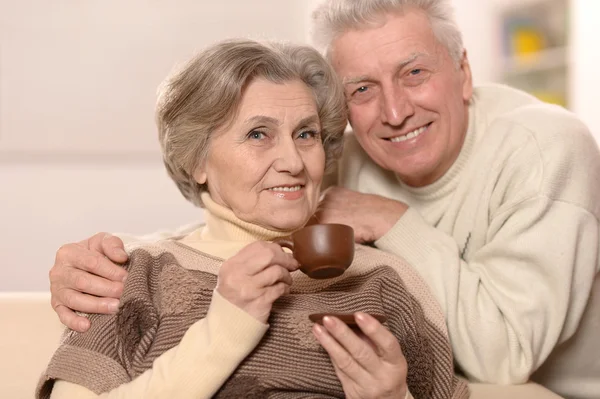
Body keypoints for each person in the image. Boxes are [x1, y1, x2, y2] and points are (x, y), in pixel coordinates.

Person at [47, 0, 600, 398]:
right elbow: (245, 203)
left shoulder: (543, 150)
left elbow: (504, 363)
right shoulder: (346, 155)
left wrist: (394, 221)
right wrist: (125, 258)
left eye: (414, 73)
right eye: (361, 88)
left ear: (463, 71)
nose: (394, 111)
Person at [38, 38, 469, 399]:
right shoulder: (125, 274)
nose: (293, 162)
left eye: (306, 134)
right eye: (258, 134)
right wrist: (225, 329)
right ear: (197, 161)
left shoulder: (383, 280)